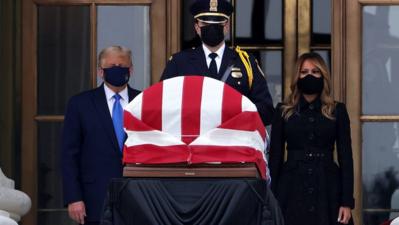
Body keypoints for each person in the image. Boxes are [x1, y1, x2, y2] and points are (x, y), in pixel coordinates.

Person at [269, 52, 354, 225]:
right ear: (297, 76)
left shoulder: (337, 110)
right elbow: (275, 157)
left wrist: (346, 202)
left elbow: (346, 158)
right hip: (291, 187)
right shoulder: (283, 111)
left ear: (323, 76)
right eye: (304, 71)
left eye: (315, 72)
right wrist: (271, 199)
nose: (310, 75)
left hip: (328, 189)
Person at [160, 0, 274, 126]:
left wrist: (237, 112)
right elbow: (161, 105)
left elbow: (266, 110)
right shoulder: (179, 63)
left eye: (218, 23)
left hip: (234, 140)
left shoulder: (246, 62)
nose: (212, 27)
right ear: (197, 28)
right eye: (206, 23)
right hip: (193, 141)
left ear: (227, 27)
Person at [61, 46, 141, 225]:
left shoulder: (144, 101)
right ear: (100, 72)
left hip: (139, 196)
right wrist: (73, 198)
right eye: (112, 65)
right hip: (94, 197)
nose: (117, 69)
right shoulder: (80, 104)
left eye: (122, 65)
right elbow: (69, 155)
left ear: (131, 70)